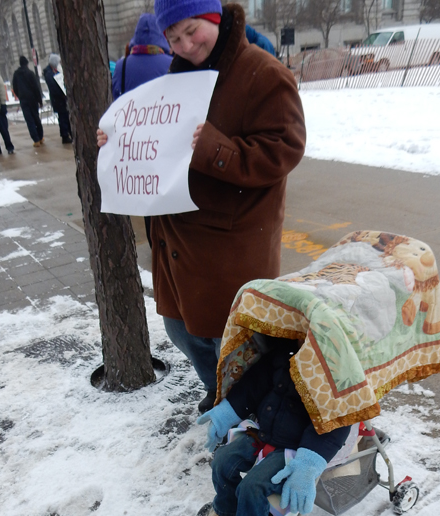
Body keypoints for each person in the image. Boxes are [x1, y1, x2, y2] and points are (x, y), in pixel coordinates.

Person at [97, 1, 306, 414]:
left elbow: (285, 148)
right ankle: (219, 393)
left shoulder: (263, 74)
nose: (186, 45)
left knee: (234, 341)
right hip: (177, 242)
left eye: (192, 30)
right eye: (173, 38)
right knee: (181, 330)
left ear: (214, 17)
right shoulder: (178, 79)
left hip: (231, 243)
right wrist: (118, 143)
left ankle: (250, 413)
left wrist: (215, 149)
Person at [188, 335, 351, 516]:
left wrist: (308, 464)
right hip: (263, 431)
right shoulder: (284, 352)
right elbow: (253, 386)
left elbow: (336, 422)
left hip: (297, 449)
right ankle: (228, 514)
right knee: (223, 461)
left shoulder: (336, 372)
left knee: (252, 486)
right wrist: (225, 413)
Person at [111, 13, 172, 247]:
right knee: (168, 196)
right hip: (165, 144)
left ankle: (154, 241)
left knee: (147, 197)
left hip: (138, 146)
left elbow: (118, 101)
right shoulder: (171, 64)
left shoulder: (122, 66)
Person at [111, 13, 172, 101]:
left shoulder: (121, 66)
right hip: (165, 112)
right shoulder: (171, 63)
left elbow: (116, 96)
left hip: (132, 113)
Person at [12, 56, 44, 148]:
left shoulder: (16, 74)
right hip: (32, 99)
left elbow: (15, 88)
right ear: (26, 63)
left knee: (29, 120)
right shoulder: (30, 73)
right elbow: (36, 88)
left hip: (24, 100)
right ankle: (40, 136)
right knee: (36, 118)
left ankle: (36, 139)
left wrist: (20, 96)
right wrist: (39, 100)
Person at [43, 54, 72, 144]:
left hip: (61, 99)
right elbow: (53, 87)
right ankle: (65, 135)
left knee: (65, 116)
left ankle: (68, 132)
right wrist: (61, 93)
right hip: (58, 99)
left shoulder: (55, 71)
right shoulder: (49, 73)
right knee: (63, 117)